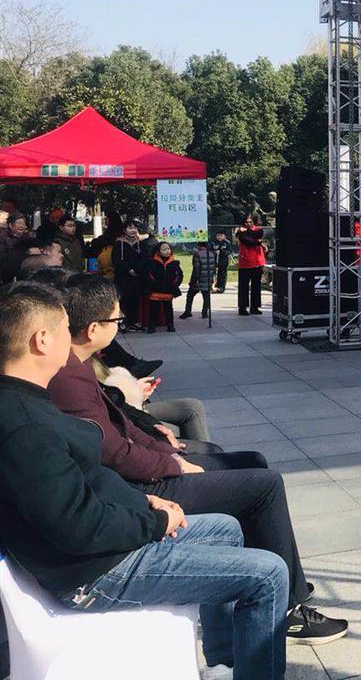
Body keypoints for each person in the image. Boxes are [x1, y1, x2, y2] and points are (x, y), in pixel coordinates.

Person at [0, 282, 292, 680]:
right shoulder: (25, 425)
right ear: (42, 340)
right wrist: (153, 522)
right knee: (268, 574)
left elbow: (83, 485)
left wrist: (145, 503)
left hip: (104, 544)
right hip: (97, 573)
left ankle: (226, 659)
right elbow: (76, 526)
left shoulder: (29, 401)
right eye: (66, 330)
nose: (72, 342)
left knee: (226, 528)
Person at [46, 274, 349, 647]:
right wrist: (173, 465)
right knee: (265, 486)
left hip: (140, 473)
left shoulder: (76, 366)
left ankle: (281, 578)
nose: (119, 327)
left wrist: (167, 451)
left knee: (249, 461)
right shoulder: (67, 376)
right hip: (139, 488)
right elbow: (115, 452)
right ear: (93, 329)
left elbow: (122, 425)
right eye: (117, 321)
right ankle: (287, 607)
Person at [112, 220, 150, 329]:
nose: (133, 230)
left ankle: (134, 321)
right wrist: (128, 269)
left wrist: (137, 269)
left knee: (136, 299)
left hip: (137, 276)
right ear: (124, 230)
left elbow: (145, 258)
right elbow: (117, 260)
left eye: (135, 228)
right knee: (124, 299)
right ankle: (125, 322)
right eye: (130, 228)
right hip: (123, 277)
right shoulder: (119, 244)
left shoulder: (141, 244)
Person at [146, 241, 184, 332]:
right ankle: (151, 326)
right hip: (155, 290)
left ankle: (170, 325)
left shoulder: (174, 263)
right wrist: (153, 283)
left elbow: (179, 275)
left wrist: (174, 284)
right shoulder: (152, 262)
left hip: (168, 290)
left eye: (168, 249)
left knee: (168, 310)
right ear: (158, 252)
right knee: (153, 310)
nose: (167, 251)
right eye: (164, 249)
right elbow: (148, 275)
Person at [235, 216, 266, 315]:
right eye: (246, 222)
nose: (249, 224)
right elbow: (248, 242)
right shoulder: (241, 233)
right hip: (245, 262)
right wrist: (257, 242)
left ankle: (255, 307)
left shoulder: (258, 230)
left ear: (254, 222)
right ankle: (242, 308)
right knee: (243, 286)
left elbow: (258, 235)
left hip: (257, 261)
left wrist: (245, 232)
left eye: (250, 222)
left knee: (256, 286)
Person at [181, 239, 217, 320]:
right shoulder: (211, 253)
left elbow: (196, 268)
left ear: (198, 244)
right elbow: (213, 268)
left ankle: (188, 311)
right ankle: (204, 313)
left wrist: (193, 280)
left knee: (190, 296)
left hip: (198, 279)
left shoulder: (197, 254)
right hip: (208, 278)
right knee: (206, 297)